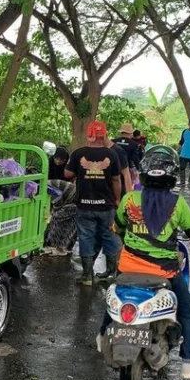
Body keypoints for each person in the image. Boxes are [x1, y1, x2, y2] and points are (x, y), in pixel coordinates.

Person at [102, 145, 190, 379]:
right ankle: (188, 362)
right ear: (171, 175)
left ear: (143, 173)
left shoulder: (130, 200)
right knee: (187, 310)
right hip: (164, 272)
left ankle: (102, 337)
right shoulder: (177, 203)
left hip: (128, 268)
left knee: (112, 298)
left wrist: (122, 230)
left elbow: (118, 225)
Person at [65, 121, 122, 285]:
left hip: (84, 205)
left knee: (86, 237)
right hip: (106, 205)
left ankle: (87, 276)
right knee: (109, 236)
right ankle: (111, 274)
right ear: (104, 134)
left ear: (89, 134)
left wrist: (80, 171)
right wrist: (117, 199)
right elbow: (116, 179)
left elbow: (67, 173)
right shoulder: (111, 155)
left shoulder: (78, 153)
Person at [43, 180, 77, 256]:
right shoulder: (46, 185)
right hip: (77, 202)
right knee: (70, 225)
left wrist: (52, 213)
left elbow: (58, 205)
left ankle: (53, 246)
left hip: (75, 203)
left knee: (56, 220)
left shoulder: (47, 189)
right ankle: (64, 247)